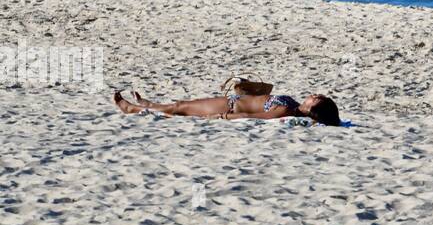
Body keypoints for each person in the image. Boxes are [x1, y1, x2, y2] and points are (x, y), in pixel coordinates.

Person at [113, 89, 342, 125]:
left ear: (314, 110)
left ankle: (132, 109)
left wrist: (223, 116)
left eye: (317, 98)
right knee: (181, 106)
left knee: (181, 107)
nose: (314, 95)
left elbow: (253, 116)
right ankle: (149, 104)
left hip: (229, 106)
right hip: (232, 100)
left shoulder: (285, 111)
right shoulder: (292, 105)